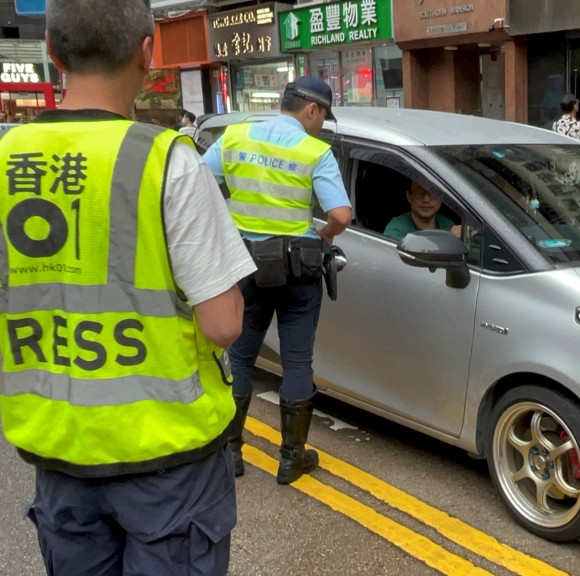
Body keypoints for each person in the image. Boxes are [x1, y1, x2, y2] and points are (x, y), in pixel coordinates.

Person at [0, 1, 254, 575]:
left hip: (58, 452)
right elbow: (223, 324)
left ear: (52, 54)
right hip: (169, 460)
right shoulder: (165, 161)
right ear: (148, 53)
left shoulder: (4, 158)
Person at [203, 75, 352, 485]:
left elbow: (198, 183)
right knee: (297, 361)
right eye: (324, 116)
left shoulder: (236, 137)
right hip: (296, 270)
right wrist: (322, 235)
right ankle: (291, 458)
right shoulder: (314, 152)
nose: (322, 125)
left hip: (244, 264)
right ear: (312, 110)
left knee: (241, 356)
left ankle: (231, 452)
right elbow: (340, 216)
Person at [383, 180, 461, 240]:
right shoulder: (396, 227)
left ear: (441, 198)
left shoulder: (447, 224)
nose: (426, 199)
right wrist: (446, 239)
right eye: (420, 193)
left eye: (433, 193)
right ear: (409, 196)